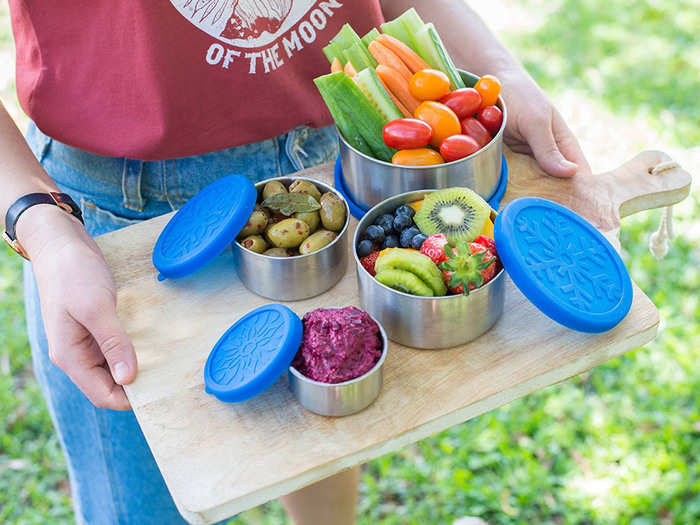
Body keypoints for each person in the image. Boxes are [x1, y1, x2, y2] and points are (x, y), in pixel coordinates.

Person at [1, 1, 590, 523]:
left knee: (326, 414)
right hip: (117, 207)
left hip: (335, 158)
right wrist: (39, 222)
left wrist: (498, 70)